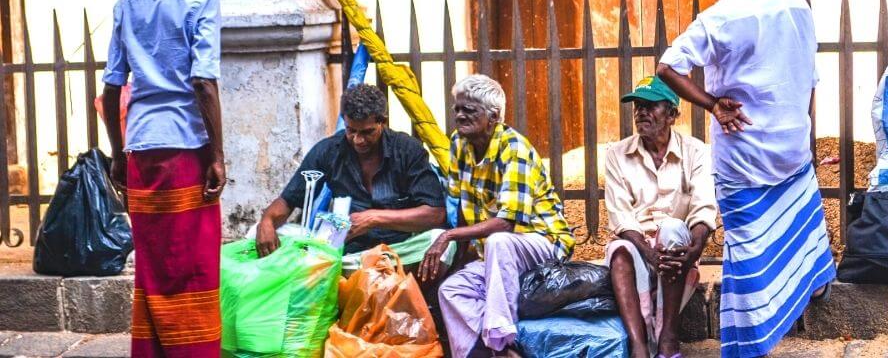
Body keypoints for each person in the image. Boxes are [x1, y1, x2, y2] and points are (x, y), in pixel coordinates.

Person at [655, 0, 835, 358]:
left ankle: (751, 342)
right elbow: (807, 76)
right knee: (800, 226)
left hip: (744, 155)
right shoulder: (797, 7)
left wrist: (712, 104)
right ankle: (813, 283)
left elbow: (667, 67)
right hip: (792, 146)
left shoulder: (720, 17)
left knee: (750, 248)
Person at [101, 0, 225, 358]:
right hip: (186, 147)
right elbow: (204, 83)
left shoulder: (127, 3)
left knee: (153, 263)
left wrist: (117, 153)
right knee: (193, 261)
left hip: (141, 147)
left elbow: (112, 87)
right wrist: (218, 156)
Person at [420, 74, 575, 358]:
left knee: (499, 240)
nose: (459, 115)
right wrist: (457, 260)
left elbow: (507, 222)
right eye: (457, 108)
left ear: (493, 117)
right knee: (452, 290)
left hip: (542, 244)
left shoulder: (514, 148)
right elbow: (465, 209)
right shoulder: (458, 144)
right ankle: (484, 354)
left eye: (469, 110)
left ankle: (501, 342)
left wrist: (448, 236)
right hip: (497, 253)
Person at [256, 83, 453, 276]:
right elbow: (288, 200)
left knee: (443, 242)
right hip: (348, 253)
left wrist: (373, 219)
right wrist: (266, 221)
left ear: (382, 122)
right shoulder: (328, 150)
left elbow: (435, 214)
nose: (358, 140)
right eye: (352, 131)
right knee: (265, 234)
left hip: (399, 250)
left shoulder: (407, 150)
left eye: (367, 132)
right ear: (344, 121)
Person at [604, 75, 717, 358]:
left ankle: (668, 337)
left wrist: (696, 247)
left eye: (650, 105)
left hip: (676, 250)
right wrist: (647, 251)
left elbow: (704, 207)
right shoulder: (617, 154)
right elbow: (621, 217)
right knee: (619, 251)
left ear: (672, 115)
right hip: (638, 247)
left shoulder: (696, 151)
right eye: (638, 106)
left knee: (672, 228)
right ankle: (639, 344)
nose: (641, 112)